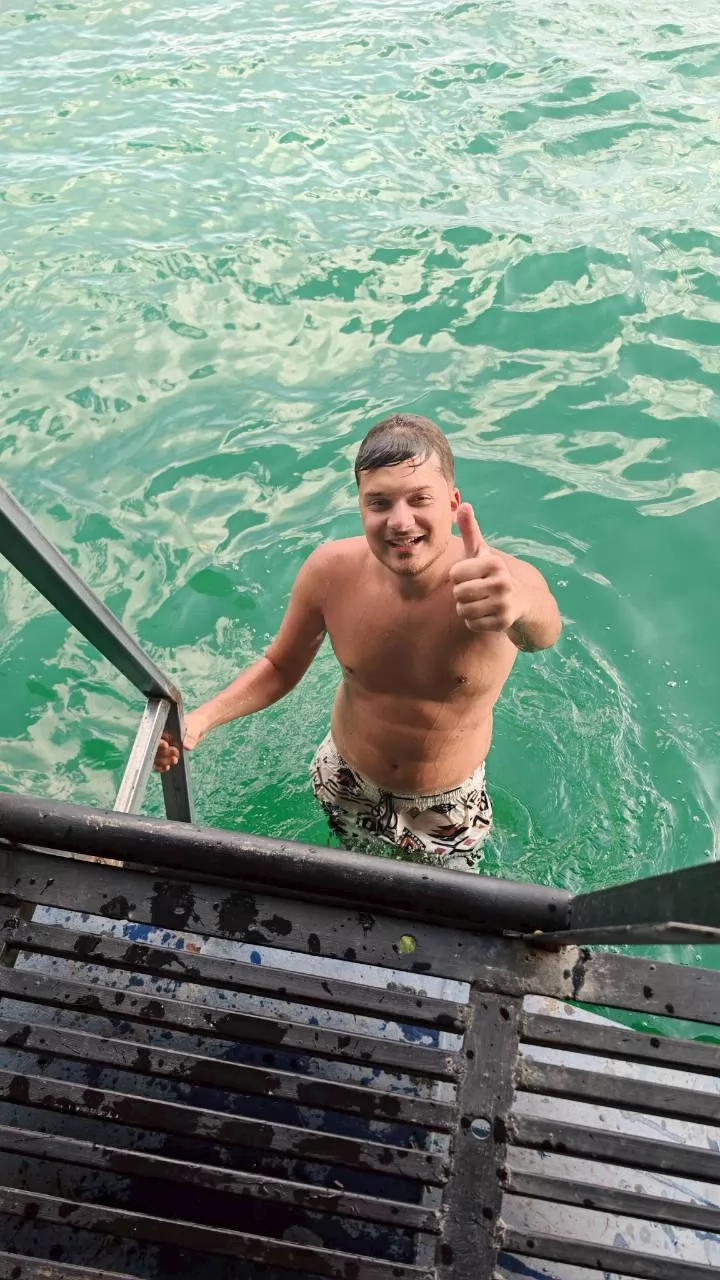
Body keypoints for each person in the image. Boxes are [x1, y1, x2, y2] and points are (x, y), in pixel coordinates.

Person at [154, 414, 561, 871]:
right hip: (344, 775)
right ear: (361, 507)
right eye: (379, 502)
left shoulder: (496, 582)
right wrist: (200, 722)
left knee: (441, 907)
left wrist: (517, 606)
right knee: (352, 880)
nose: (400, 521)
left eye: (419, 499)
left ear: (452, 503)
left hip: (443, 803)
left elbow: (542, 631)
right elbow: (280, 666)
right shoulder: (330, 572)